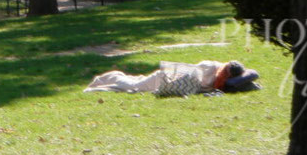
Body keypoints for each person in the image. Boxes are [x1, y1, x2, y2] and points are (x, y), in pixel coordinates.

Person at [84, 59, 259, 96]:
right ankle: (110, 78)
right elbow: (197, 79)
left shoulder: (221, 77)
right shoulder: (211, 68)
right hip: (166, 78)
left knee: (137, 82)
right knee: (133, 86)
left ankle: (115, 77)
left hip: (169, 79)